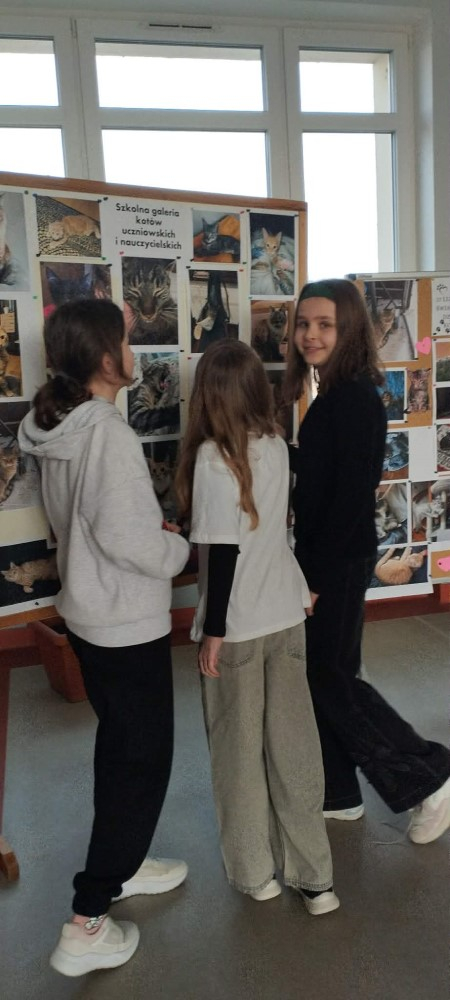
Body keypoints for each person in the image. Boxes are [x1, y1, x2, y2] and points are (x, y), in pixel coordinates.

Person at [18, 299, 190, 977]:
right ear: (104, 357)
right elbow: (125, 539)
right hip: (124, 622)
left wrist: (148, 534)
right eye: (125, 340)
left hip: (92, 617)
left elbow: (100, 525)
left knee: (122, 751)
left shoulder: (58, 425)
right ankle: (87, 920)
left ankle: (127, 862)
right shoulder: (107, 434)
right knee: (140, 762)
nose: (134, 351)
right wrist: (176, 550)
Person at [176, 339, 339, 916]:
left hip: (239, 628)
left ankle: (256, 875)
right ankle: (316, 880)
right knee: (295, 748)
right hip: (286, 616)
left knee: (238, 755)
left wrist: (213, 632)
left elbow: (221, 554)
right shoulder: (276, 445)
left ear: (208, 395)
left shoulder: (212, 457)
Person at [284, 278, 450, 840]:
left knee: (331, 677)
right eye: (304, 324)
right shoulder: (335, 392)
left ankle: (427, 777)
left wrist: (313, 579)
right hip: (329, 557)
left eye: (324, 325)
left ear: (350, 329)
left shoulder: (351, 397)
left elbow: (350, 496)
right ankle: (340, 793)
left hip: (333, 561)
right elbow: (325, 470)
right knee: (325, 674)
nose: (310, 335)